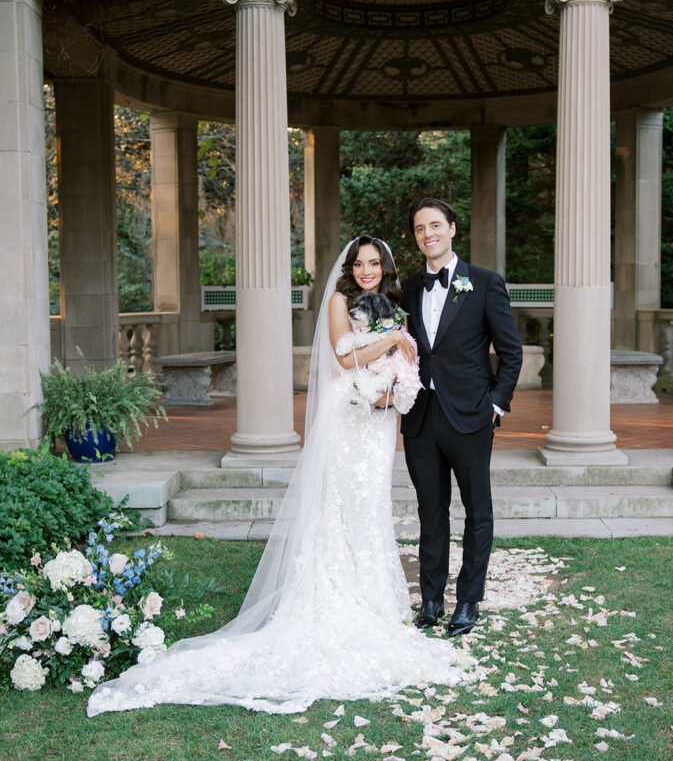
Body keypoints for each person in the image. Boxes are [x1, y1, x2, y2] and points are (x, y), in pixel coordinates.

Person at [87, 236, 469, 717]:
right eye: (360, 263)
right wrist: (392, 341)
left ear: (386, 268)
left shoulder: (394, 304)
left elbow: (400, 363)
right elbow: (341, 359)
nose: (368, 270)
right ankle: (330, 600)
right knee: (338, 504)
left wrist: (393, 383)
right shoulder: (338, 301)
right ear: (349, 268)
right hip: (344, 416)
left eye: (375, 263)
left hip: (376, 421)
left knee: (369, 507)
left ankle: (373, 603)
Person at [401, 199, 523, 638]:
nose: (427, 233)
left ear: (452, 228)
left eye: (435, 225)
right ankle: (431, 599)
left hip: (471, 417)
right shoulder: (409, 289)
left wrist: (495, 405)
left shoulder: (486, 283)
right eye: (419, 228)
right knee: (430, 511)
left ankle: (468, 601)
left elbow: (511, 353)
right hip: (419, 418)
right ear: (415, 236)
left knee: (477, 511)